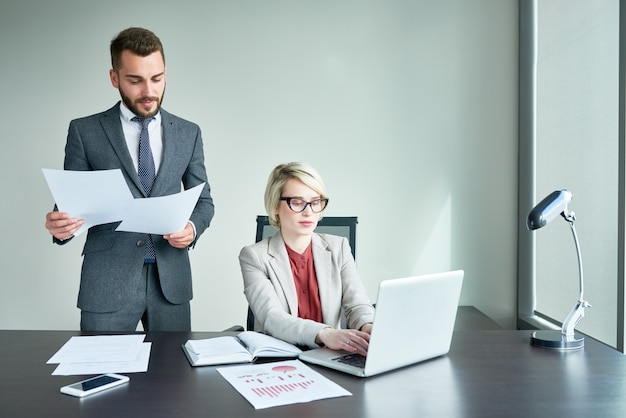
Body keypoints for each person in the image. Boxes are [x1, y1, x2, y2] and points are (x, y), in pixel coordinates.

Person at [44, 27, 214, 332]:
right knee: (101, 373)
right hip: (107, 281)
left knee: (173, 377)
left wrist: (192, 228)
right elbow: (70, 203)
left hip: (170, 283)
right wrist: (61, 227)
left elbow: (203, 201)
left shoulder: (189, 133)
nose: (148, 90)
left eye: (157, 79)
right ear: (114, 78)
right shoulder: (85, 131)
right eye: (135, 80)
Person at [239, 162, 374, 356]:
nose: (308, 211)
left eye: (315, 202)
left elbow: (357, 305)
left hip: (330, 357)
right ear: (276, 205)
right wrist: (324, 333)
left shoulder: (339, 248)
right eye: (297, 202)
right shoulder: (254, 256)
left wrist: (368, 327)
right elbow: (272, 317)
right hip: (279, 359)